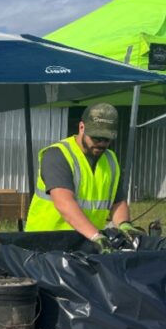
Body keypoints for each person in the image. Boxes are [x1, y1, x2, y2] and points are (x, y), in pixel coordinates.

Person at [24, 102, 144, 251]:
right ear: (82, 128)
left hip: (86, 243)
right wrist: (97, 236)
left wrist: (124, 224)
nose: (101, 143)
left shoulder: (110, 160)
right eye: (96, 138)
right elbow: (64, 203)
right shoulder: (58, 155)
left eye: (106, 139)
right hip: (46, 245)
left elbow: (117, 202)